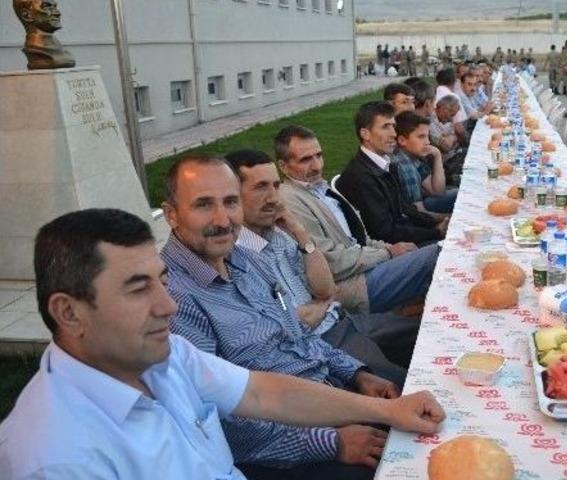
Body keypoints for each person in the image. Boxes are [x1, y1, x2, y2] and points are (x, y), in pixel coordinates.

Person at [0, 208, 445, 480]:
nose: (168, 306)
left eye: (162, 281)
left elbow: (262, 392)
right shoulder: (57, 458)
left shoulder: (160, 357)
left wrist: (388, 411)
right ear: (69, 312)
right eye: (137, 289)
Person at [161, 155, 419, 475]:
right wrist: (331, 443)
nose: (223, 220)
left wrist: (357, 374)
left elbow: (300, 336)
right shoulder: (172, 298)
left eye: (230, 202)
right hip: (286, 449)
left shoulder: (247, 260)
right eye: (203, 204)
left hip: (329, 397)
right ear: (171, 214)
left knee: (426, 406)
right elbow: (217, 419)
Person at [226, 149, 420, 370]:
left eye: (276, 186)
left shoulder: (280, 233)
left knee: (427, 335)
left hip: (341, 321)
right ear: (232, 196)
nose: (273, 198)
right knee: (403, 379)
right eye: (261, 187)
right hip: (323, 343)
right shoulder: (238, 257)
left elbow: (326, 289)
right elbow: (297, 323)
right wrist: (322, 303)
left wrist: (300, 233)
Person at [276, 126, 439, 315]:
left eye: (319, 156)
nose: (317, 166)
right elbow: (329, 262)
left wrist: (392, 248)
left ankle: (415, 315)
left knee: (436, 252)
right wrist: (387, 253)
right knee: (438, 254)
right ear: (283, 166)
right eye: (305, 160)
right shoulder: (291, 200)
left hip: (365, 268)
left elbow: (361, 239)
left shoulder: (320, 189)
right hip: (351, 286)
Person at [338, 101, 448, 245]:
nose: (394, 134)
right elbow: (384, 232)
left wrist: (437, 222)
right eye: (385, 127)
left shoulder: (385, 164)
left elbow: (405, 209)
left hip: (404, 236)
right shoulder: (361, 177)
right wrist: (436, 232)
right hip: (389, 248)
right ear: (365, 134)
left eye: (393, 126)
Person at [392, 111, 457, 214]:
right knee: (460, 194)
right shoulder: (404, 164)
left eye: (427, 136)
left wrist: (437, 156)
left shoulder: (413, 157)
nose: (428, 142)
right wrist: (443, 218)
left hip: (423, 206)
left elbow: (437, 191)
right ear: (402, 140)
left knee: (460, 192)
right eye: (421, 137)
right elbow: (414, 208)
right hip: (415, 215)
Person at [12, 0, 75, 69]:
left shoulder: (57, 47)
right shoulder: (36, 49)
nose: (58, 13)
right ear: (27, 15)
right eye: (47, 7)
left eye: (55, 7)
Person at [434, 68, 468, 143]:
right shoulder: (453, 97)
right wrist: (466, 142)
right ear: (454, 82)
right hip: (450, 141)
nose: (450, 119)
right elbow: (459, 128)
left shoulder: (433, 94)